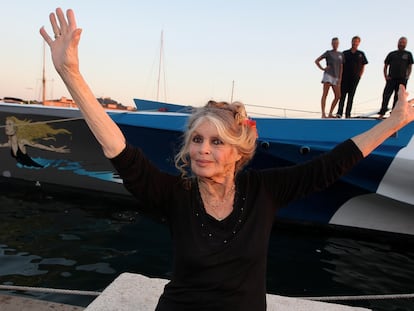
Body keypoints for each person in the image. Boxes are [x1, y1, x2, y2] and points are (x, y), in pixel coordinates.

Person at [40, 8, 414, 311]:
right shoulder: (175, 194)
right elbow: (120, 150)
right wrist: (71, 74)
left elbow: (334, 163)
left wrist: (392, 123)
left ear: (238, 151)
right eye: (197, 140)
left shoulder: (265, 190)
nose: (203, 149)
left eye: (216, 142)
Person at [378, 36, 414, 119]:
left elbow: (410, 66)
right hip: (391, 78)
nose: (401, 44)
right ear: (398, 43)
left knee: (398, 98)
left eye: (403, 43)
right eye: (400, 42)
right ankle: (382, 113)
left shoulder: (408, 54)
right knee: (386, 95)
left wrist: (407, 76)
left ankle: (394, 114)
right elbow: (385, 65)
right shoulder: (392, 54)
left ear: (406, 44)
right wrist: (386, 76)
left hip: (402, 79)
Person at [336, 36, 368, 118]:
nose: (354, 43)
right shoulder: (345, 53)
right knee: (342, 96)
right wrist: (340, 77)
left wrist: (359, 76)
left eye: (356, 41)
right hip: (345, 77)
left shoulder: (361, 54)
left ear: (359, 43)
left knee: (351, 96)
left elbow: (363, 65)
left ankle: (348, 114)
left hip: (355, 78)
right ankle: (339, 113)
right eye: (353, 41)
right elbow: (341, 65)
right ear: (351, 42)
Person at [315, 37, 344, 118]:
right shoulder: (328, 53)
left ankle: (330, 113)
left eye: (337, 43)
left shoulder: (341, 54)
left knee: (338, 95)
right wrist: (322, 68)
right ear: (332, 44)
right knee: (325, 94)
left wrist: (340, 78)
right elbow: (317, 61)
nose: (335, 45)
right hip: (328, 75)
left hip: (336, 76)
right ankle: (323, 113)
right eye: (334, 43)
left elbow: (341, 66)